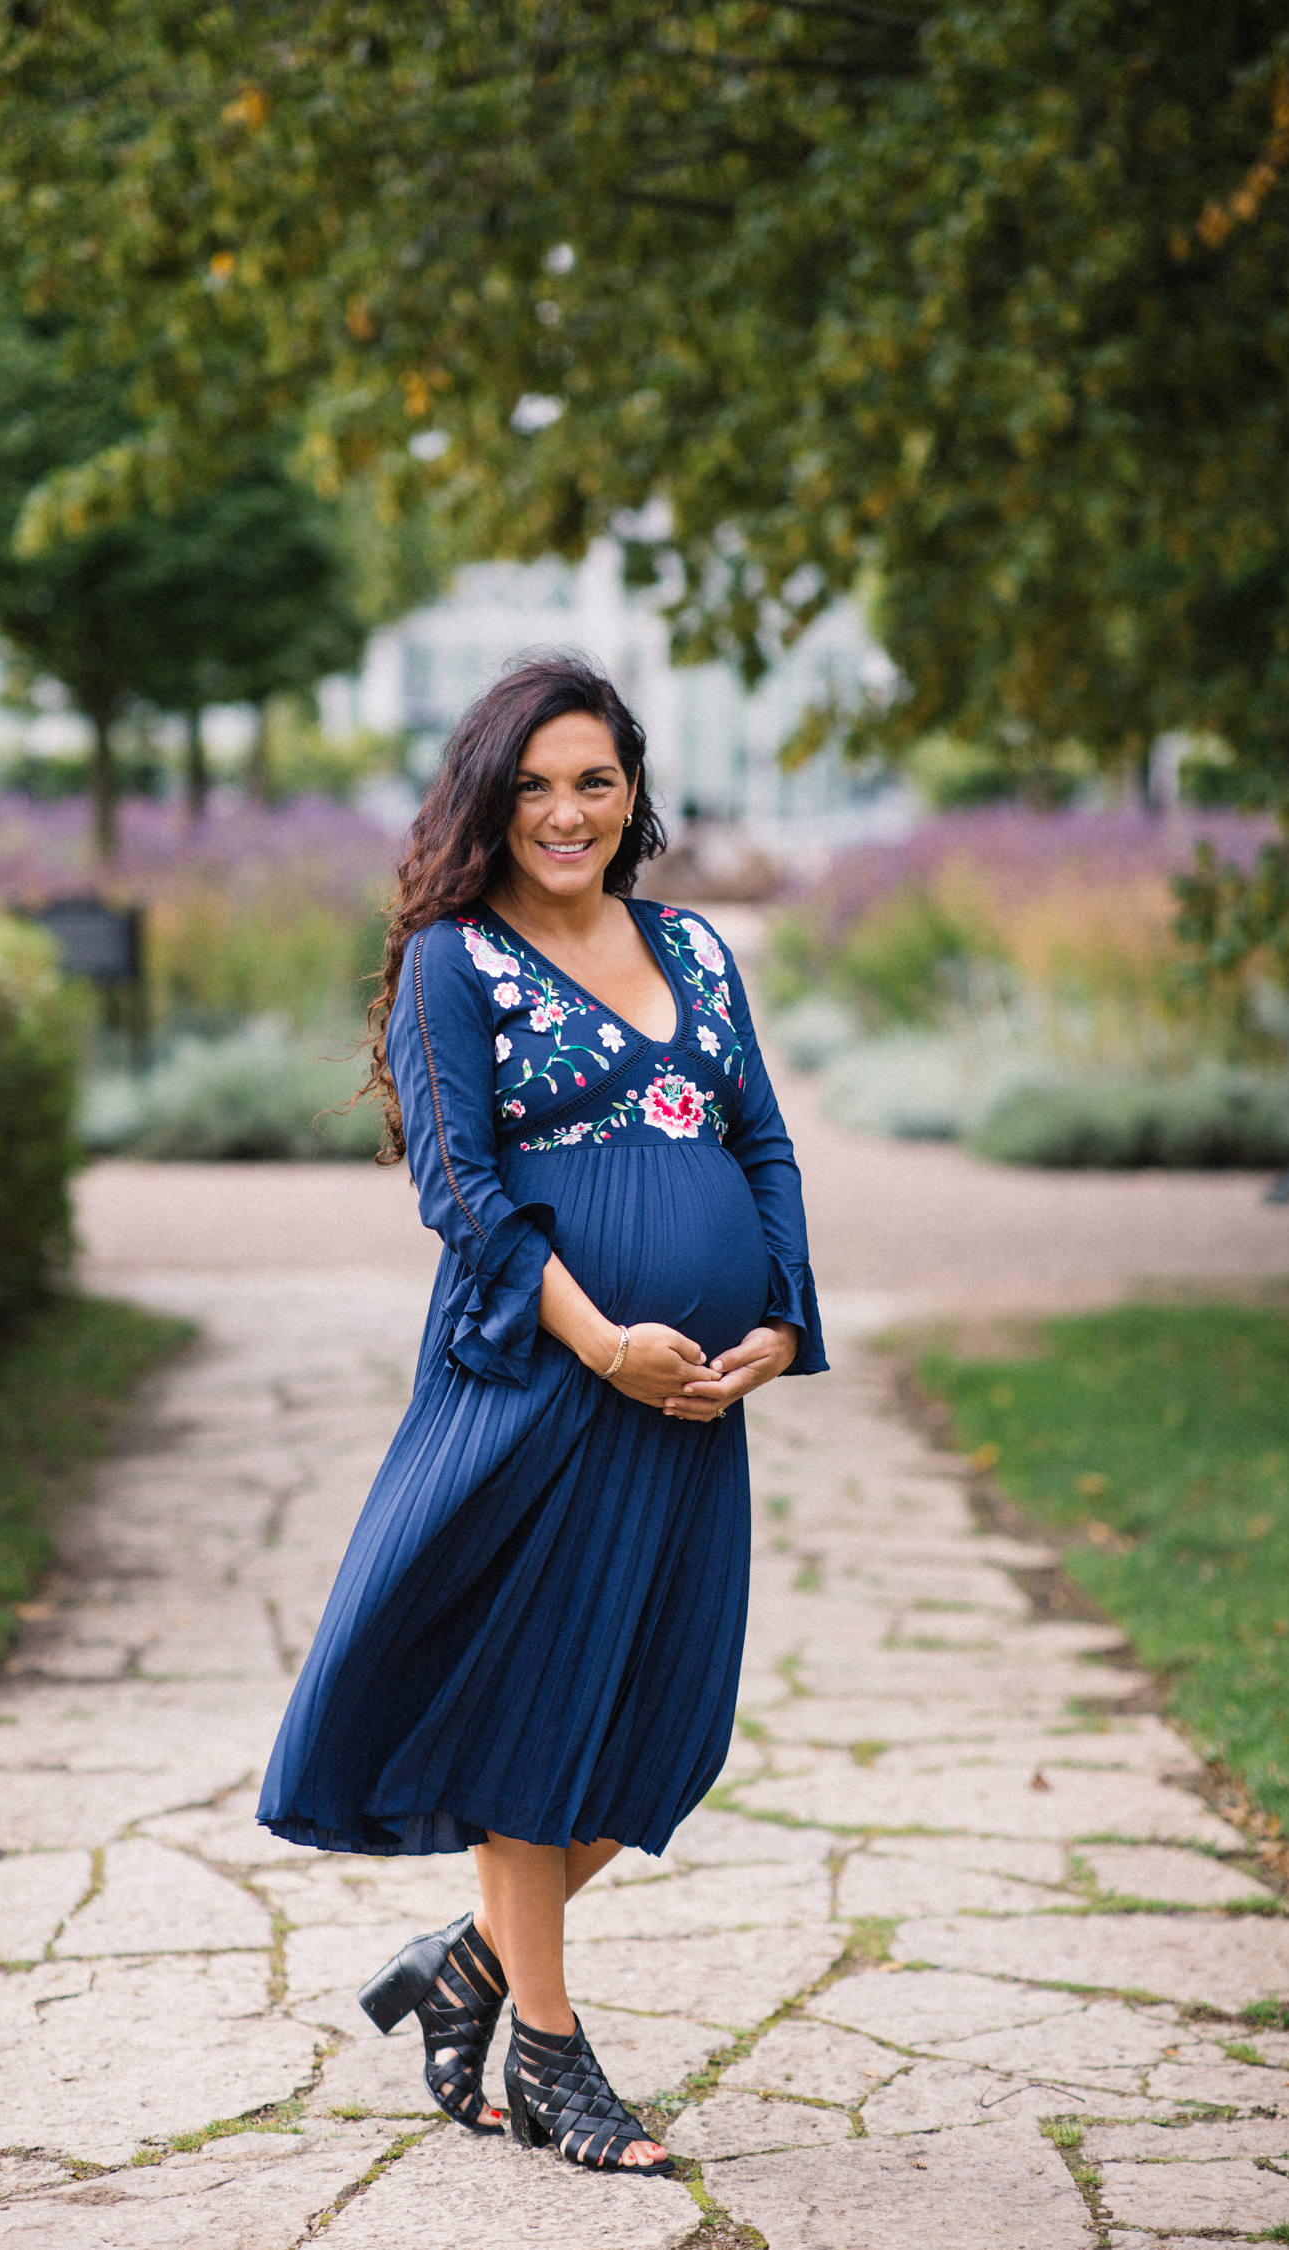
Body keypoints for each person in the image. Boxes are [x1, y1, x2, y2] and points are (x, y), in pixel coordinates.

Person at [258, 655, 827, 2176]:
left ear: (634, 789)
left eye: (593, 779)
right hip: (539, 1388)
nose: (566, 811)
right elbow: (465, 1192)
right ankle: (555, 2058)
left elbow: (759, 1139)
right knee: (542, 1720)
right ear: (488, 799)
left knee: (663, 1729)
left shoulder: (696, 950)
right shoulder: (458, 957)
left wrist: (779, 1318)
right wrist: (602, 1341)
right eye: (533, 784)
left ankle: (469, 1964)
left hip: (695, 1399)